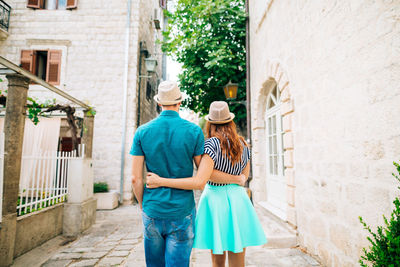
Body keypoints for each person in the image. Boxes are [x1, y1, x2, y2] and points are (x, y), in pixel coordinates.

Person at [130, 82, 246, 267]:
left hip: (153, 207)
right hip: (182, 210)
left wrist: (145, 205)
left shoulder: (142, 132)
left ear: (159, 103)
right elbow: (203, 176)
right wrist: (237, 177)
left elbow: (135, 178)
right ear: (179, 102)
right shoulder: (194, 132)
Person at [147, 101, 267, 267]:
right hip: (239, 200)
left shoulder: (211, 144)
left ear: (210, 123)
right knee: (238, 253)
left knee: (218, 257)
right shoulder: (243, 144)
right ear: (230, 122)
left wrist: (159, 181)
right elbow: (243, 176)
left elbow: (207, 175)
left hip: (215, 201)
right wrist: (237, 179)